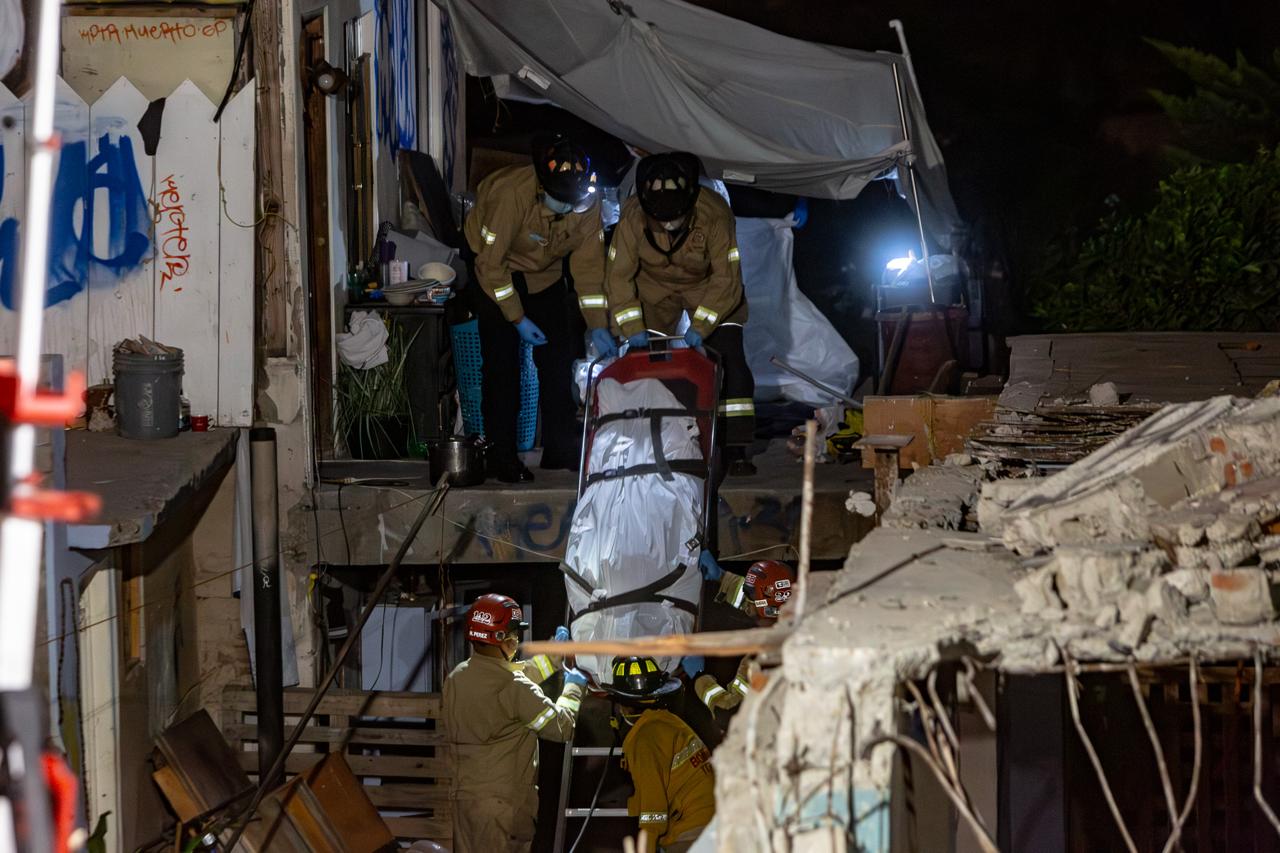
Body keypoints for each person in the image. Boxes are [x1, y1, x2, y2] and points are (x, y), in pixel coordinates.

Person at [463, 131, 609, 482]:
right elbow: (490, 266)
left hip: (543, 271)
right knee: (501, 364)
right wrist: (517, 318)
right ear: (543, 185)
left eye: (573, 201)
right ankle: (501, 454)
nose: (568, 207)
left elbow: (589, 268)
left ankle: (559, 446)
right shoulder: (510, 195)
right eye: (561, 200)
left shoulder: (587, 200)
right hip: (493, 267)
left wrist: (598, 324)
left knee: (559, 357)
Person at [600, 151, 756, 476]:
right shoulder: (632, 216)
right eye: (661, 219)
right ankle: (655, 438)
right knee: (647, 363)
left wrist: (702, 325)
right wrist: (632, 326)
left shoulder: (715, 213)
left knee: (730, 361)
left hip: (709, 288)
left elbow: (727, 278)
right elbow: (618, 276)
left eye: (676, 218)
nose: (669, 225)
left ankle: (736, 447)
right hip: (654, 289)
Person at [443, 594, 587, 853]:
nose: (516, 640)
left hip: (465, 802)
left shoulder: (458, 677)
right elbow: (563, 727)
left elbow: (506, 681)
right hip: (504, 807)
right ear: (501, 638)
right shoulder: (514, 687)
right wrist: (574, 687)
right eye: (514, 634)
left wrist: (550, 660)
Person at [604, 655, 716, 853]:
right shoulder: (667, 723)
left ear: (623, 705)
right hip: (714, 823)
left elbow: (653, 811)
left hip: (691, 832)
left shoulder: (644, 739)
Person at [692, 558, 795, 721]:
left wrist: (699, 677)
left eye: (750, 596)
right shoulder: (803, 619)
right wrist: (722, 576)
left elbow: (727, 713)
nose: (746, 603)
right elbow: (756, 599)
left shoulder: (761, 660)